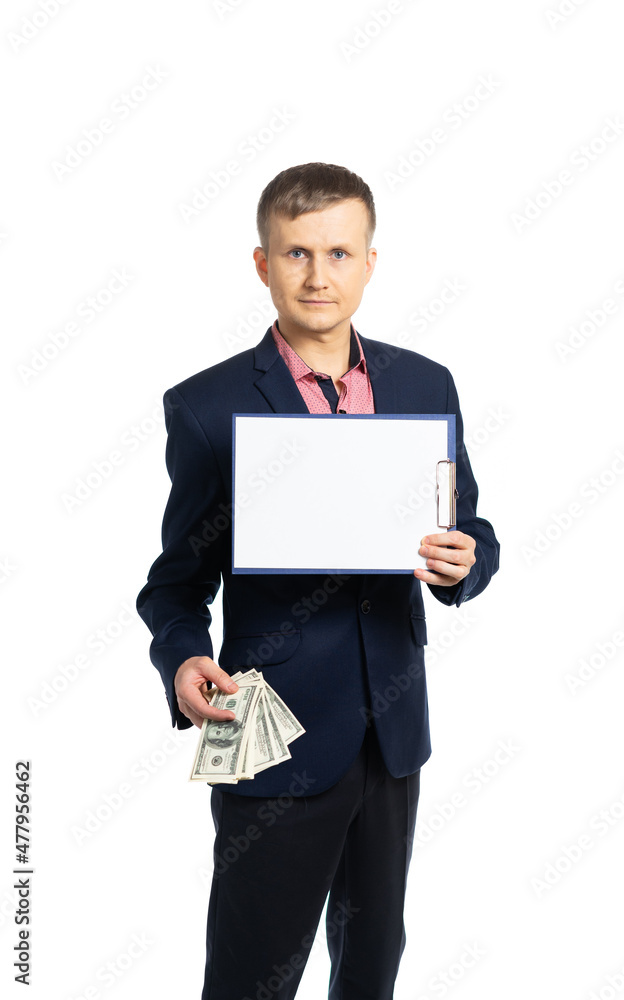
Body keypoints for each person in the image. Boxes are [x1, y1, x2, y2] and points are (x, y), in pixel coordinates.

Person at [136, 161, 500, 1000]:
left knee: (371, 971)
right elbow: (174, 584)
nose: (317, 275)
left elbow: (468, 527)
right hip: (268, 731)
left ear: (370, 261)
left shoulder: (423, 383)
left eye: (337, 252)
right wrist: (182, 659)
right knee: (250, 974)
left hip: (393, 731)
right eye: (295, 253)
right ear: (262, 263)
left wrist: (466, 560)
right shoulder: (207, 406)